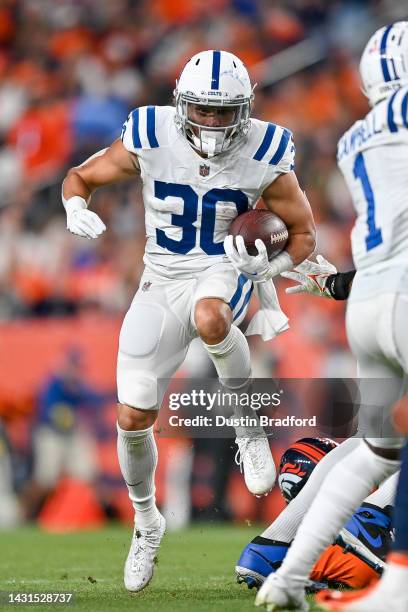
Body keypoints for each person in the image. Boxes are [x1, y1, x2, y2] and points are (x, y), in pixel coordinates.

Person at [61, 49, 316, 593]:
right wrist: (74, 206)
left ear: (245, 110)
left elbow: (304, 236)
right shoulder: (151, 132)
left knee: (211, 317)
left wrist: (266, 264)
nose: (215, 123)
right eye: (204, 110)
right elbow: (81, 176)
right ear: (182, 105)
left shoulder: (265, 150)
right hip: (161, 278)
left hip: (225, 268)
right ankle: (147, 520)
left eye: (226, 112)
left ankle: (249, 429)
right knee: (131, 415)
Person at [255, 22, 408, 611]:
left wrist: (332, 282)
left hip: (367, 302)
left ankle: (287, 576)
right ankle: (390, 578)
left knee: (378, 448)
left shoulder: (353, 138)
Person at [236, 437, 396, 592]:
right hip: (358, 557)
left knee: (380, 429)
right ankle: (372, 517)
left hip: (309, 548)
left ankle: (274, 543)